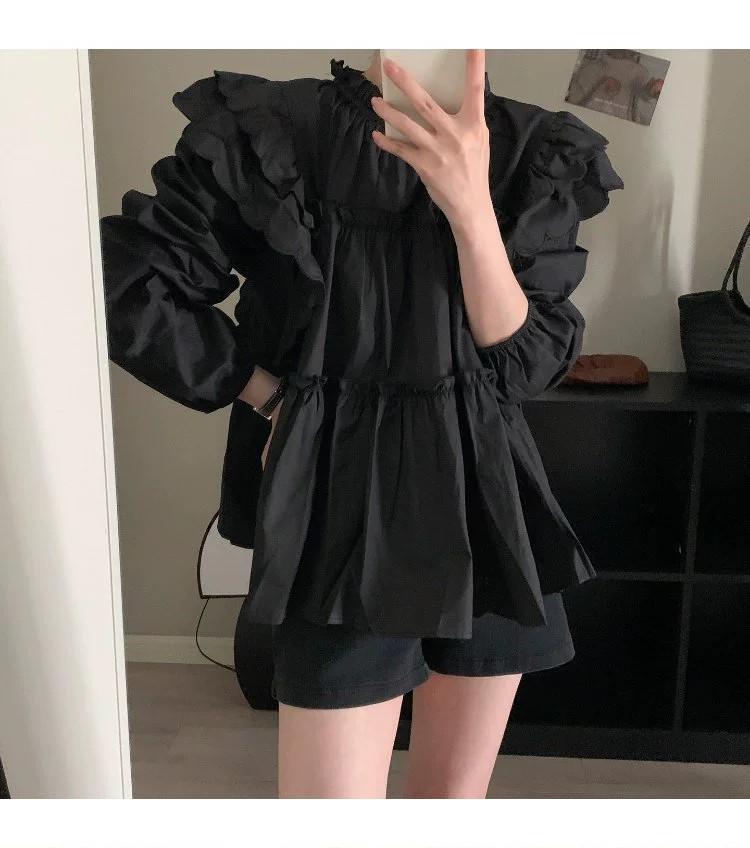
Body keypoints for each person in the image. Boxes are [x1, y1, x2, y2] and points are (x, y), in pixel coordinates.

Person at [101, 52, 621, 798]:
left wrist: (470, 205)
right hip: (338, 506)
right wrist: (267, 396)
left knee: (444, 818)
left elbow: (523, 365)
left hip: (482, 503)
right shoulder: (272, 132)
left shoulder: (532, 150)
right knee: (340, 833)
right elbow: (129, 283)